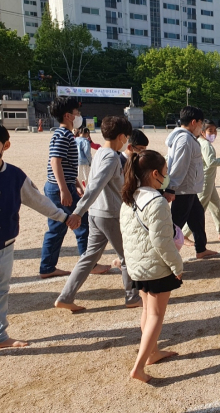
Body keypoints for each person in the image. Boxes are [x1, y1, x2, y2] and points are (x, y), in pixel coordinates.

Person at [0, 126, 81, 348]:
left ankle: (0, 337)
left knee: (1, 290)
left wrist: (65, 218)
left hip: (4, 246)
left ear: (5, 146)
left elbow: (39, 201)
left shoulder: (15, 176)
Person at [54, 116, 142, 312]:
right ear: (121, 137)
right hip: (109, 214)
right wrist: (78, 212)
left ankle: (66, 296)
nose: (126, 141)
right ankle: (132, 297)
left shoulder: (102, 152)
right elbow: (94, 187)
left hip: (97, 214)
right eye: (126, 137)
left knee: (89, 256)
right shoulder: (111, 157)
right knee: (127, 256)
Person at [120, 150, 184, 383]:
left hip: (138, 265)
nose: (166, 177)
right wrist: (177, 266)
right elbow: (163, 242)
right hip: (155, 267)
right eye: (165, 173)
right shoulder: (156, 201)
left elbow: (126, 234)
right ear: (155, 173)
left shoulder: (130, 196)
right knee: (156, 315)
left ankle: (153, 352)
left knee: (148, 310)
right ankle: (139, 366)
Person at [40, 97, 91, 279]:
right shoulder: (64, 135)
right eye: (77, 113)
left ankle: (47, 267)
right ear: (69, 116)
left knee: (57, 227)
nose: (79, 116)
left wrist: (75, 184)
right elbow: (56, 162)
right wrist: (64, 189)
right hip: (58, 187)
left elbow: (67, 166)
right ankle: (88, 262)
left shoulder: (63, 134)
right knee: (83, 222)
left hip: (61, 185)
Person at [164, 106, 217, 259]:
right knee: (175, 225)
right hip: (183, 189)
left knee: (197, 216)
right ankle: (164, 256)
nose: (201, 128)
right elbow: (179, 165)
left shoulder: (184, 137)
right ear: (194, 122)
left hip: (189, 188)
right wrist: (171, 188)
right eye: (201, 124)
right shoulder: (185, 139)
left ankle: (201, 248)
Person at [183, 120, 220, 243]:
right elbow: (211, 162)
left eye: (215, 130)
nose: (214, 133)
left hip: (209, 182)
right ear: (202, 132)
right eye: (210, 130)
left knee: (216, 206)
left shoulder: (201, 142)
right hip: (204, 182)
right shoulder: (205, 145)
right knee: (199, 209)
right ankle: (184, 234)